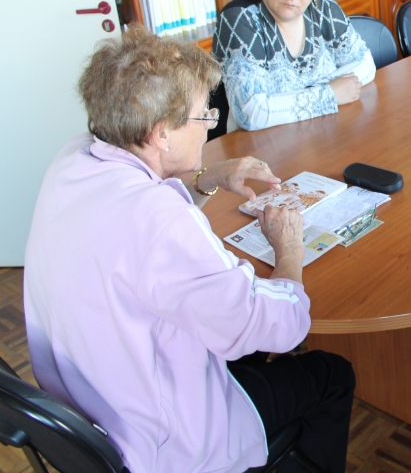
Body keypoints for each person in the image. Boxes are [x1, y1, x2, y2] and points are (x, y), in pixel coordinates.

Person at [24, 25, 355, 473]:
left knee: (243, 346)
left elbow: (143, 236)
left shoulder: (73, 159)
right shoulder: (158, 220)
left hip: (91, 399)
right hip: (163, 442)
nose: (208, 127)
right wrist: (289, 250)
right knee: (331, 375)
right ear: (162, 133)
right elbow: (283, 325)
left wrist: (207, 178)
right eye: (204, 117)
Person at [212, 0, 375, 131]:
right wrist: (331, 94)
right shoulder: (239, 18)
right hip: (257, 149)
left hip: (320, 134)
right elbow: (251, 113)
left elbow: (365, 63)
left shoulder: (320, 3)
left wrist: (286, 101)